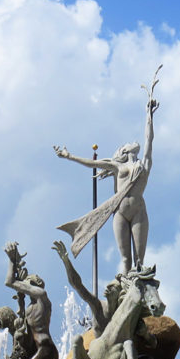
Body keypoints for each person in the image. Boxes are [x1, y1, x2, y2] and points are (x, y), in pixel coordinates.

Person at [54, 68, 160, 274]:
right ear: (125, 150)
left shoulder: (144, 165)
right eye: (128, 143)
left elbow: (149, 140)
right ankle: (123, 294)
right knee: (125, 259)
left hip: (138, 211)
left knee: (139, 261)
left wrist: (149, 116)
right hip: (120, 212)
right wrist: (70, 156)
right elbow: (93, 165)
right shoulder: (118, 166)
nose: (133, 142)